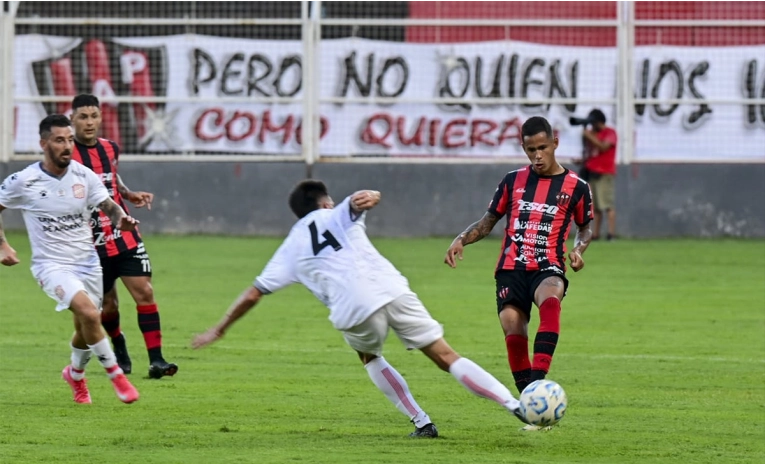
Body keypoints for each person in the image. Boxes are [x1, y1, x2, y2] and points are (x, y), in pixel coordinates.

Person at [191, 180, 529, 437]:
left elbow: (253, 293)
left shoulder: (291, 244)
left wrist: (218, 329)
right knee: (446, 356)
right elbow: (359, 200)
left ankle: (422, 421)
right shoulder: (336, 212)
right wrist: (370, 196)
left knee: (369, 356)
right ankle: (514, 405)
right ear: (325, 202)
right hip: (391, 287)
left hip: (353, 307)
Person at [444, 116, 593, 429]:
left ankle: (538, 383)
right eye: (530, 150)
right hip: (511, 268)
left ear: (555, 143)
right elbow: (487, 222)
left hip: (547, 264)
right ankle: (531, 403)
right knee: (513, 327)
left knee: (551, 297)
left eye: (542, 147)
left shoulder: (577, 187)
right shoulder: (512, 181)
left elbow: (585, 227)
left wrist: (578, 250)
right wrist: (462, 239)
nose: (537, 155)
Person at [0, 114, 140, 405]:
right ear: (43, 143)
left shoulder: (83, 175)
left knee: (85, 328)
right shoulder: (24, 181)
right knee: (91, 315)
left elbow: (108, 206)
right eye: (59, 140)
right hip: (51, 266)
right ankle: (116, 375)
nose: (67, 146)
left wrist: (121, 219)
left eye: (69, 140)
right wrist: (3, 245)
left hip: (88, 263)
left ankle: (74, 375)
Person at [70, 94, 177, 378]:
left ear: (101, 117)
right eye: (83, 117)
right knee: (108, 305)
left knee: (145, 292)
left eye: (94, 116)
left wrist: (127, 194)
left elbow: (111, 176)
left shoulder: (110, 148)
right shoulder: (66, 154)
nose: (89, 122)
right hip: (91, 245)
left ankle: (157, 360)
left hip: (124, 233)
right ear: (72, 120)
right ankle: (119, 345)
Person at [581, 108, 617, 241]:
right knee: (595, 207)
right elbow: (591, 152)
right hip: (592, 172)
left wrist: (588, 135)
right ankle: (595, 234)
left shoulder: (610, 133)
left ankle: (611, 234)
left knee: (607, 205)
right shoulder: (592, 133)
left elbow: (603, 147)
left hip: (605, 173)